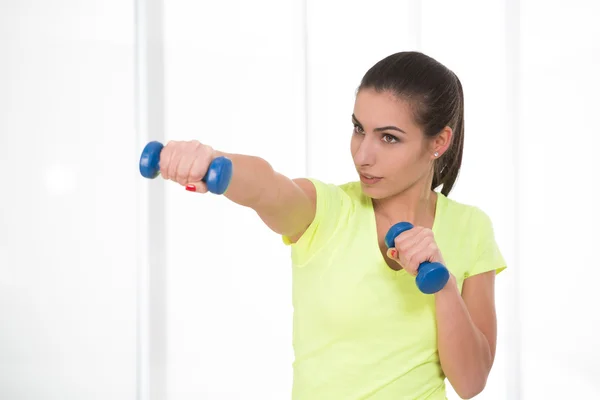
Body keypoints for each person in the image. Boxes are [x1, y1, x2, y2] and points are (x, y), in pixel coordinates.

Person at [157, 51, 506, 399]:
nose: (362, 155)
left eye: (389, 138)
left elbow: (471, 382)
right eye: (359, 129)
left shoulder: (471, 227)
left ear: (439, 142)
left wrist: (444, 287)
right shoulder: (325, 210)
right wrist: (213, 160)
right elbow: (268, 187)